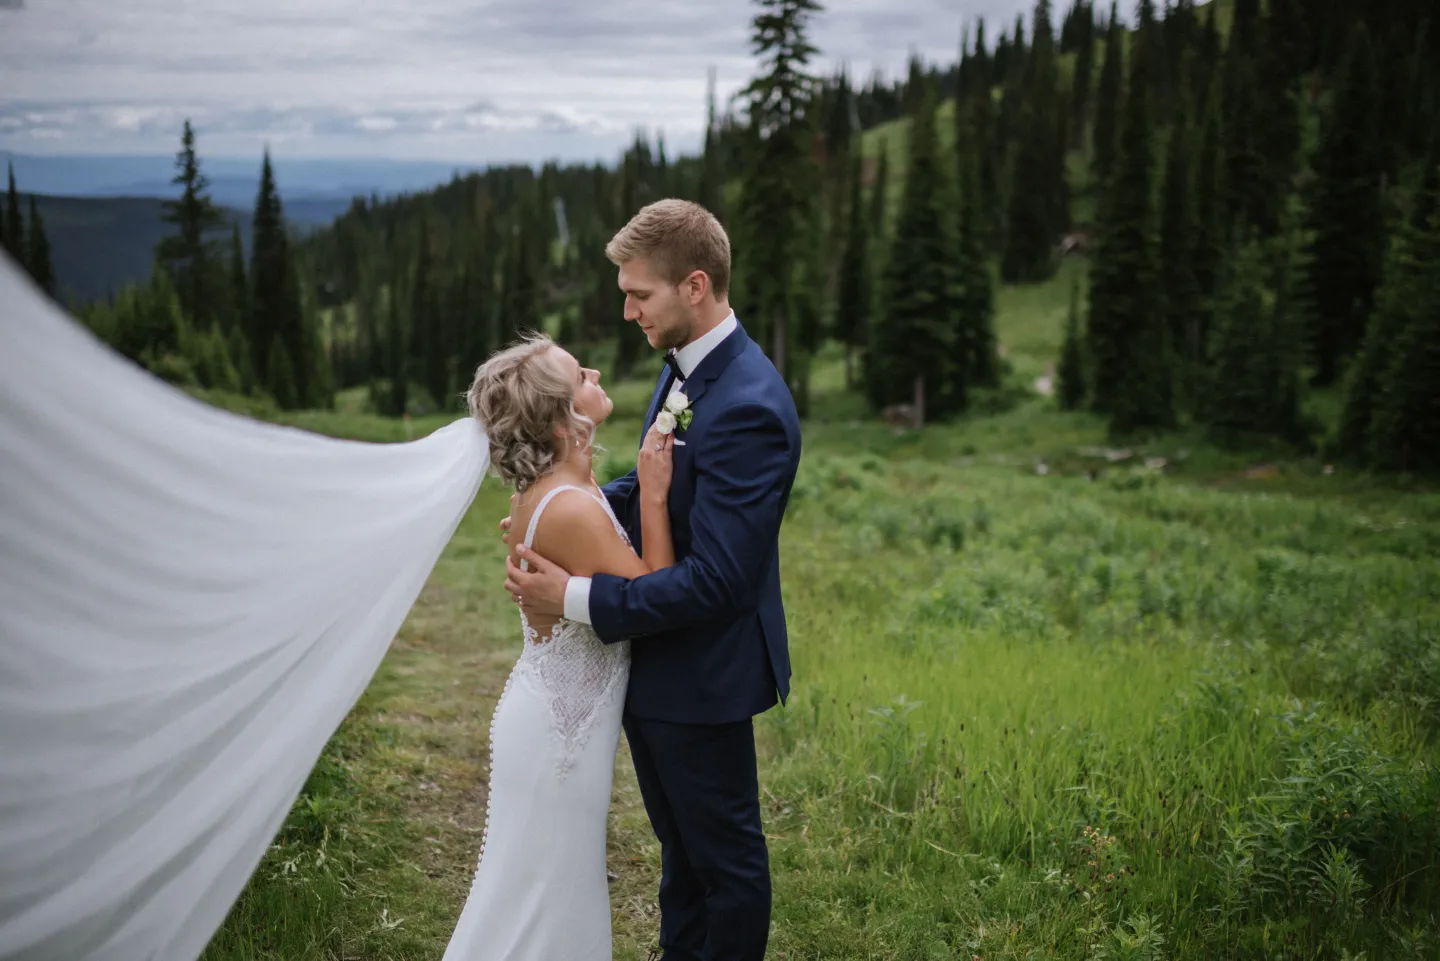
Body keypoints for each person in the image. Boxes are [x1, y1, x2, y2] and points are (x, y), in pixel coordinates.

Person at [503, 199, 803, 961]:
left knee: (725, 865)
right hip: (656, 665)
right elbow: (653, 481)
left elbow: (718, 584)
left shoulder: (749, 406)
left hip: (705, 674)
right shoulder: (687, 369)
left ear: (695, 286)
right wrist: (563, 508)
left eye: (640, 294)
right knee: (681, 858)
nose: (628, 308)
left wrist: (568, 596)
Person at [442, 333, 678, 960]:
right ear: (560, 419)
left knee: (546, 892)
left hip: (556, 724)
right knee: (543, 897)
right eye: (579, 375)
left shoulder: (563, 489)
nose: (595, 371)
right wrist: (653, 493)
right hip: (558, 736)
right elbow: (654, 599)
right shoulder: (567, 505)